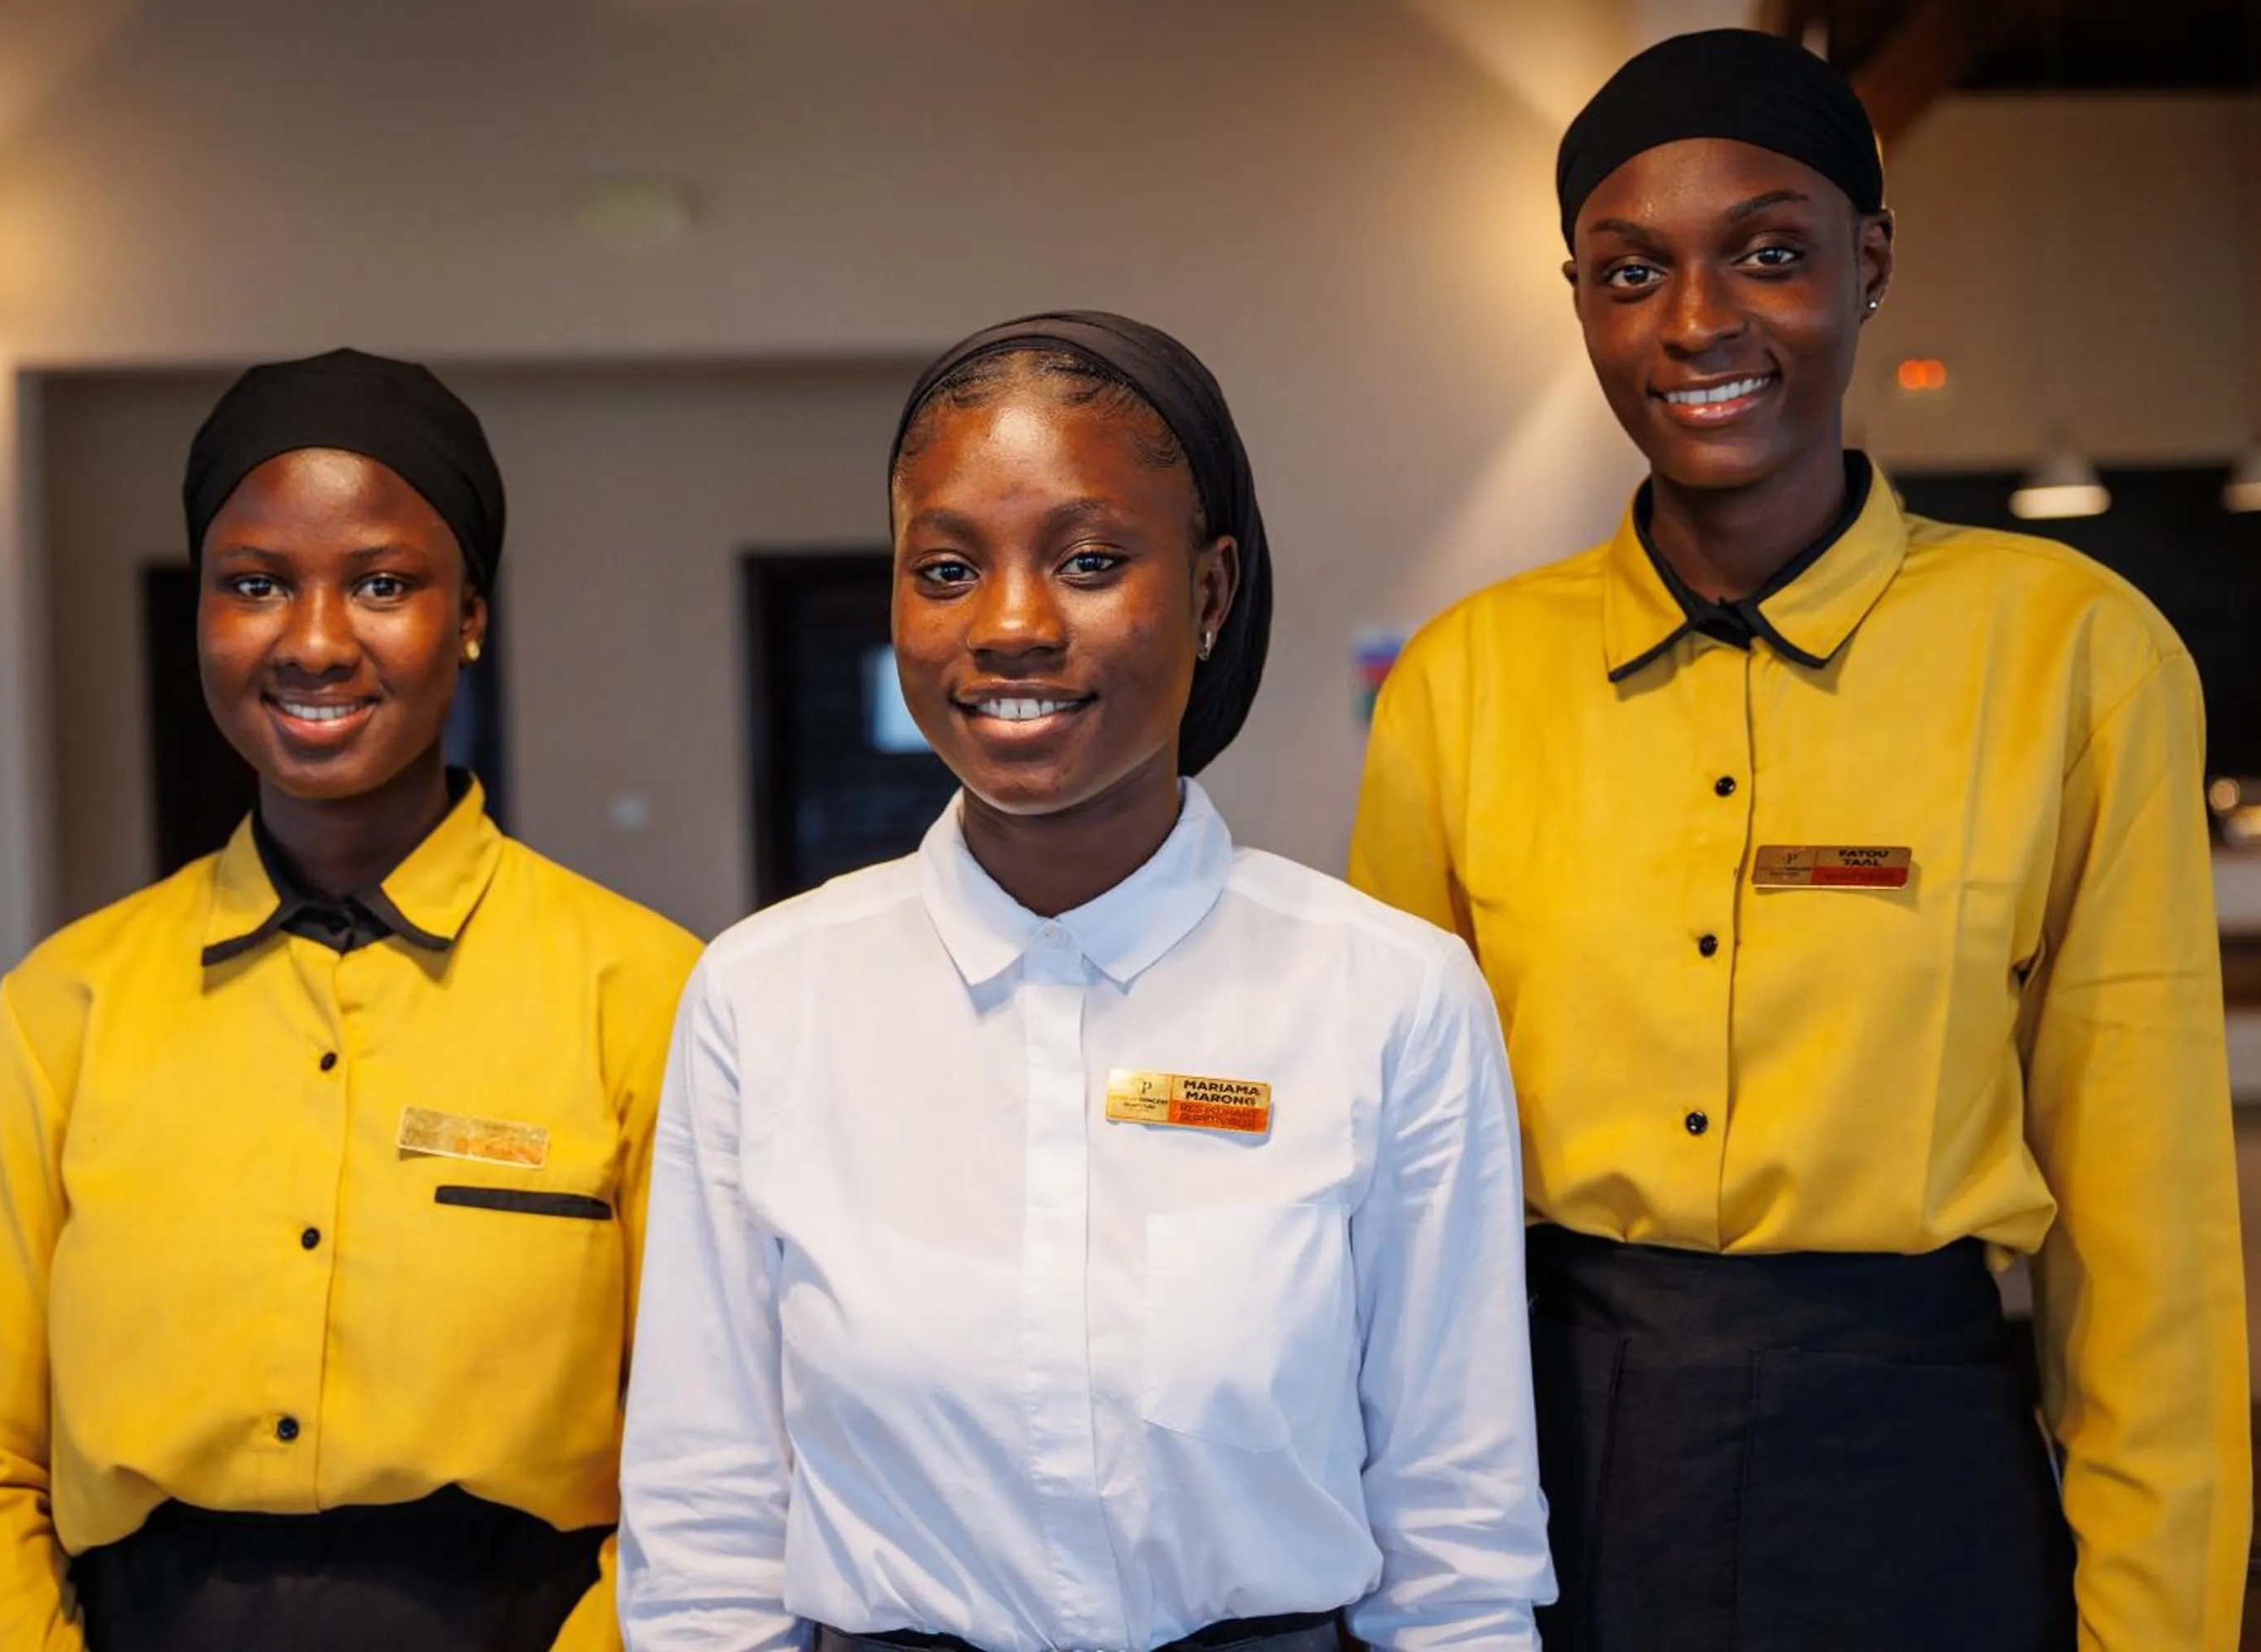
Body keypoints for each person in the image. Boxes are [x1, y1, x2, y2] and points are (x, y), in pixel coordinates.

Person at [1351, 29, 2248, 1652]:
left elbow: (2150, 1236)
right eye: (1632, 272)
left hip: (1921, 1479)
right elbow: (1393, 1209)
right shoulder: (1462, 682)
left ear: (1869, 261)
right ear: (1580, 302)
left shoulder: (2074, 655)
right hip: (1550, 1483)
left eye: (1769, 253)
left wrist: (2160, 1626)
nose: (1698, 321)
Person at [616, 311, 1552, 1652]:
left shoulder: (1389, 998)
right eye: (947, 569)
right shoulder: (765, 1000)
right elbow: (708, 1531)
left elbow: (1456, 1542)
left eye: (1092, 562)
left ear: (1212, 592)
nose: (1011, 625)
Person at [0, 349, 702, 1651]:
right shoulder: (65, 1009)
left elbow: (705, 1461)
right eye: (257, 583)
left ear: (470, 614)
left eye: (382, 584)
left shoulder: (647, 996)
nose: (316, 642)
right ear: (202, 614)